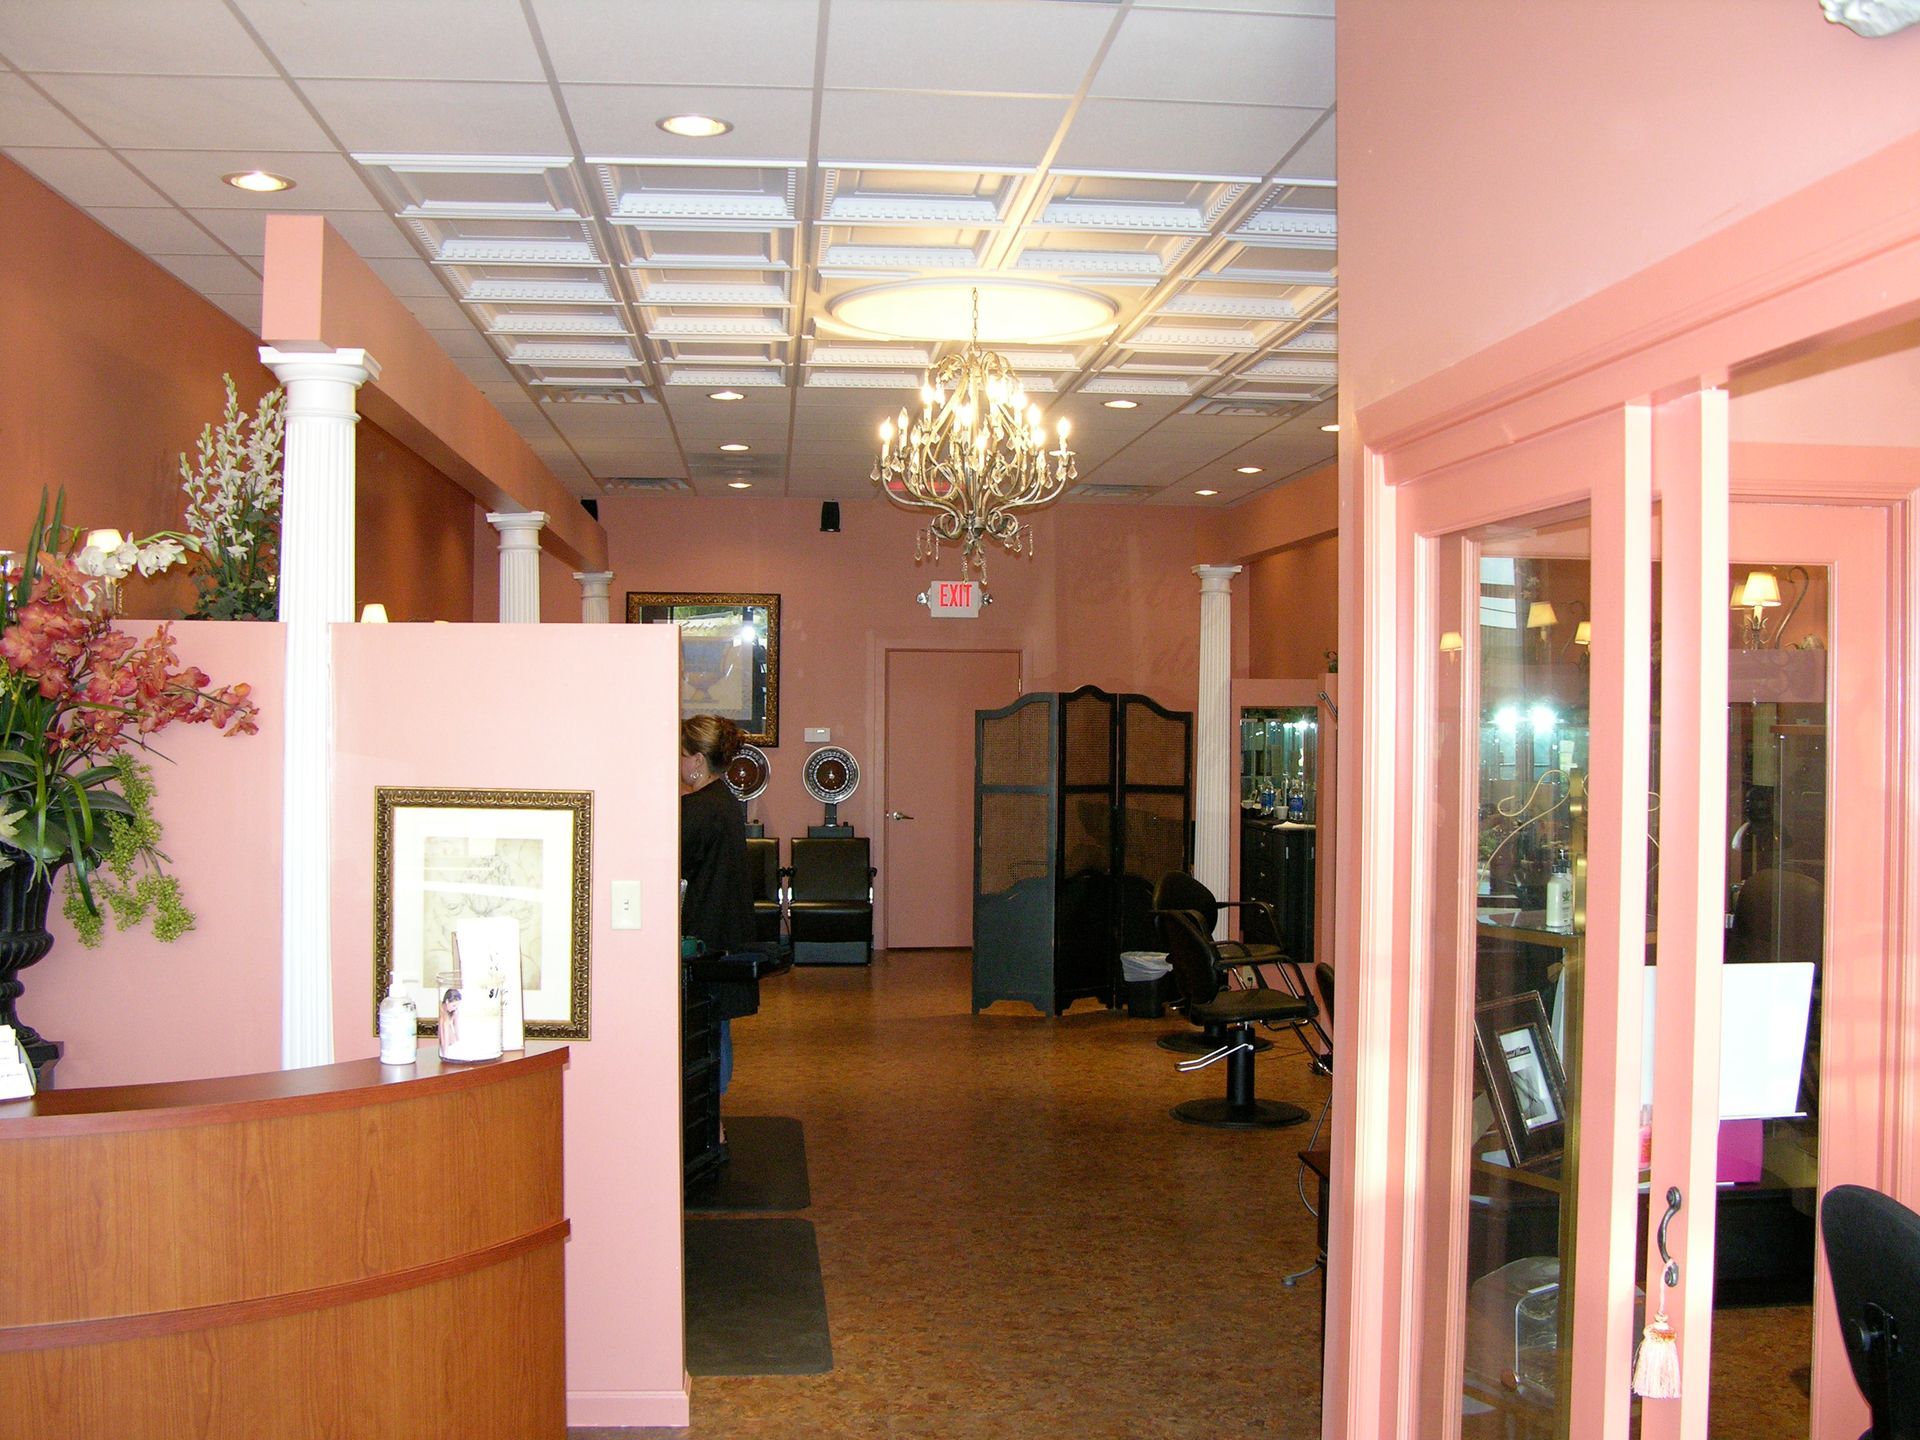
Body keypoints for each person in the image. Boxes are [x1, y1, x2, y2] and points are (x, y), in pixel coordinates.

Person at [679, 714, 755, 1107]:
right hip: (726, 928)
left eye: (681, 754)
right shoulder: (723, 801)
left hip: (707, 931)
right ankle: (715, 1118)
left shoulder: (698, 809)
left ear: (696, 761)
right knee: (716, 1025)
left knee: (707, 1027)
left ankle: (712, 1121)